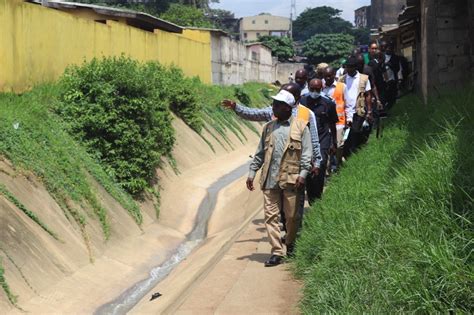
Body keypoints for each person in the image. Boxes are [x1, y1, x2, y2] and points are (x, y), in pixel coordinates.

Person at [246, 89, 312, 266]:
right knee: (271, 217)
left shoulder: (301, 126)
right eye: (274, 104)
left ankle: (290, 244)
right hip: (270, 179)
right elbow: (260, 153)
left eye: (277, 105)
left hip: (291, 180)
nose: (273, 107)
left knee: (291, 217)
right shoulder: (268, 128)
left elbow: (307, 153)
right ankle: (276, 251)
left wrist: (304, 173)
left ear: (288, 108)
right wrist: (252, 173)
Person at [299, 79, 338, 203]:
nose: (314, 92)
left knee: (320, 166)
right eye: (312, 89)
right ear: (308, 87)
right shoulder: (302, 102)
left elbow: (332, 124)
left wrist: (334, 142)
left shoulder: (328, 104)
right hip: (305, 139)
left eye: (317, 89)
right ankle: (311, 197)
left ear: (322, 88)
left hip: (323, 139)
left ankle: (317, 197)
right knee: (308, 167)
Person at [338, 56, 372, 156]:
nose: (348, 69)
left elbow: (368, 94)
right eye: (347, 67)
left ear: (355, 67)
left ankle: (355, 151)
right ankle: (347, 153)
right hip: (344, 111)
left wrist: (369, 110)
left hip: (358, 110)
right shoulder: (341, 80)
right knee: (345, 134)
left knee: (355, 131)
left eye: (351, 67)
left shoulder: (363, 79)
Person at [322, 67, 347, 169]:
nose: (328, 78)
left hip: (339, 122)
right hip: (325, 122)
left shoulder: (342, 86)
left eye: (330, 75)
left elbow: (347, 103)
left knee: (338, 145)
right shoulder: (321, 87)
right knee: (327, 146)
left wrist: (348, 118)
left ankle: (338, 164)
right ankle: (328, 169)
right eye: (326, 76)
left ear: (334, 75)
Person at [380, 41, 402, 109]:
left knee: (392, 96)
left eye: (391, 48)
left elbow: (398, 68)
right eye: (388, 48)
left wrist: (391, 65)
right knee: (384, 95)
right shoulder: (381, 56)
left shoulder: (396, 58)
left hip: (392, 80)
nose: (389, 49)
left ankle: (391, 109)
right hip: (383, 80)